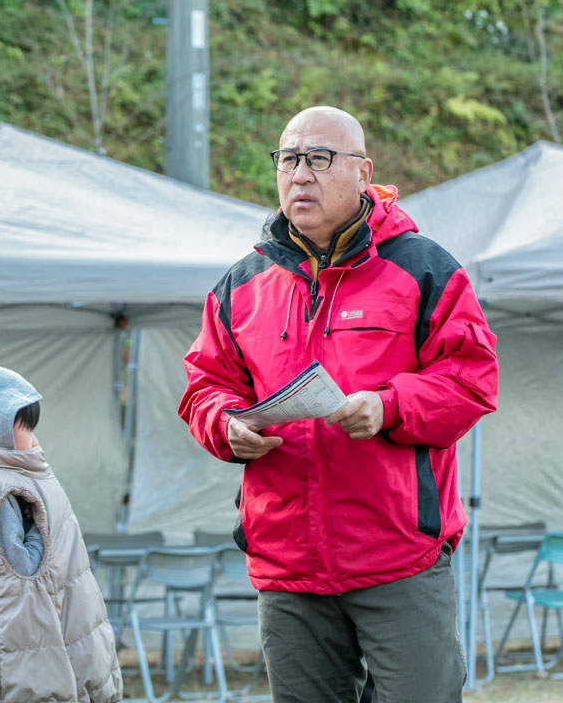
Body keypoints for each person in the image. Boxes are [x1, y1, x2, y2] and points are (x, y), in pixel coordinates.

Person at [178, 106, 498, 703]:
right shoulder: (241, 285)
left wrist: (389, 406)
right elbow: (205, 385)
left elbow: (471, 380)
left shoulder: (424, 269)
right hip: (288, 563)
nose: (300, 175)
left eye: (319, 159)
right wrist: (225, 424)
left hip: (397, 554)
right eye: (288, 160)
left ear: (362, 173)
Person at [0, 363, 122, 703]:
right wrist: (41, 530)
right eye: (26, 428)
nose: (35, 440)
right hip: (15, 657)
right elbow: (22, 569)